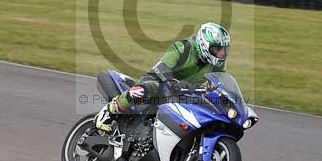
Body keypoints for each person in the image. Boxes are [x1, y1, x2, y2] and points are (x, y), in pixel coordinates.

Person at [95, 22, 231, 132]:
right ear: (204, 44)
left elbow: (217, 83)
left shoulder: (218, 65)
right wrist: (174, 82)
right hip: (160, 82)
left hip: (185, 94)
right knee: (145, 89)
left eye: (224, 49)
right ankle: (110, 110)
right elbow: (163, 68)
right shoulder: (183, 47)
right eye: (218, 49)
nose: (222, 53)